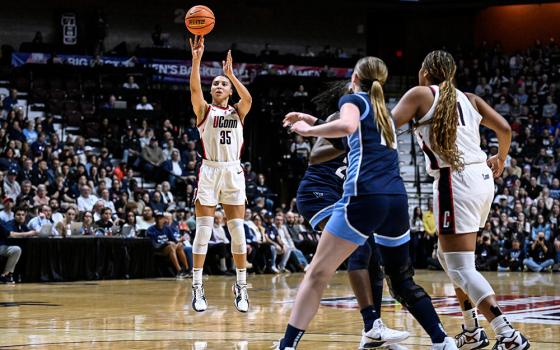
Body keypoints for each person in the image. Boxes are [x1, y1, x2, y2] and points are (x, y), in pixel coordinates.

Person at [277, 56, 453, 350]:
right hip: (396, 200)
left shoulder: (353, 99)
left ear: (355, 78)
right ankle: (442, 340)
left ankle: (287, 345)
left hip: (364, 197)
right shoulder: (385, 112)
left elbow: (346, 126)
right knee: (401, 279)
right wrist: (316, 121)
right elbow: (355, 135)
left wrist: (307, 131)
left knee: (316, 274)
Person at [392, 50, 530, 349]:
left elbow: (386, 125)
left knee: (461, 267)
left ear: (427, 72)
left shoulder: (420, 94)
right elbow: (505, 128)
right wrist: (501, 159)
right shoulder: (469, 98)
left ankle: (507, 334)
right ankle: (471, 330)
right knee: (447, 258)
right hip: (481, 177)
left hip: (455, 181)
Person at [287, 81, 409, 348]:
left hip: (341, 196)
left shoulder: (367, 123)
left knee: (373, 256)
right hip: (317, 193)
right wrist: (353, 140)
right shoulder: (339, 119)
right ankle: (370, 325)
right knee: (361, 250)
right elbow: (316, 155)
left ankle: (373, 331)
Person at [188, 35, 253, 313]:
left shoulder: (239, 110)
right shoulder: (204, 110)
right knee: (203, 231)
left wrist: (231, 75)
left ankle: (240, 286)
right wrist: (196, 59)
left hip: (233, 171)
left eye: (222, 84)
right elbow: (193, 90)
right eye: (215, 83)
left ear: (229, 91)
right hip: (210, 170)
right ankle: (197, 287)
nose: (217, 85)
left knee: (238, 233)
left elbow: (248, 97)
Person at [146, 212, 190, 279]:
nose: (158, 220)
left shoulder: (167, 228)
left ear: (164, 220)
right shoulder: (150, 230)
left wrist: (179, 240)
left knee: (180, 245)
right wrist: (166, 243)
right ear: (155, 219)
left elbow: (174, 240)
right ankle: (179, 271)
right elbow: (155, 246)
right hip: (159, 249)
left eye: (160, 218)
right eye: (157, 218)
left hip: (169, 247)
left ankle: (187, 270)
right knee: (171, 246)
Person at [1, 207, 38, 283]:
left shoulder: (23, 225)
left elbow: (30, 233)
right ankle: (6, 274)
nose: (21, 216)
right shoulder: (9, 224)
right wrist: (29, 233)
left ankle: (9, 275)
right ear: (14, 216)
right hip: (2, 246)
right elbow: (11, 235)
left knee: (21, 249)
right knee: (17, 249)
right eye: (18, 215)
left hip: (8, 247)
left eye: (23, 215)